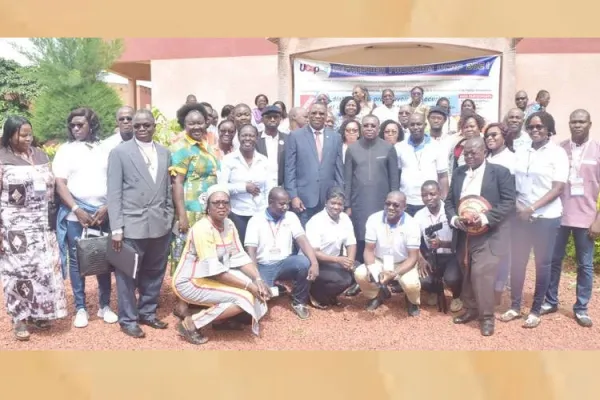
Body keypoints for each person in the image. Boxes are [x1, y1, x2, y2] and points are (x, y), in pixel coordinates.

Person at [172, 185, 271, 345]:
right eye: (216, 203)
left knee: (252, 289)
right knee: (244, 296)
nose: (221, 206)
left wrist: (258, 279)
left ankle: (220, 320)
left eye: (225, 202)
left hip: (209, 277)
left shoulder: (229, 224)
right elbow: (214, 272)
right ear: (207, 207)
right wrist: (249, 286)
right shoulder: (203, 228)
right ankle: (191, 324)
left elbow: (239, 256)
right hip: (190, 281)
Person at [107, 109, 175, 338]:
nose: (142, 129)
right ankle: (128, 319)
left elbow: (168, 189)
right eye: (137, 126)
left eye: (147, 125)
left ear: (154, 126)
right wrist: (116, 228)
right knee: (127, 274)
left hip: (159, 224)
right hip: (132, 224)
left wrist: (169, 216)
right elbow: (114, 193)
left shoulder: (165, 153)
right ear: (131, 128)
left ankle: (147, 312)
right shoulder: (119, 153)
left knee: (155, 271)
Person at [0, 116, 68, 341]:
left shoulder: (40, 155)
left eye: (30, 134)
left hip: (42, 225)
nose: (28, 138)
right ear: (10, 135)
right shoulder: (2, 158)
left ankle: (38, 313)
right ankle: (19, 318)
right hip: (14, 229)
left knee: (41, 272)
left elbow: (51, 189)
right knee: (18, 272)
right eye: (22, 135)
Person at [500, 111, 568, 329]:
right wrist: (521, 208)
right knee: (518, 262)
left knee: (542, 263)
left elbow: (558, 188)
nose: (535, 130)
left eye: (540, 127)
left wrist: (531, 208)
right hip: (521, 216)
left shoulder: (558, 154)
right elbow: (511, 181)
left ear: (549, 129)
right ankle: (515, 306)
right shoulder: (521, 151)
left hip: (546, 217)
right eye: (531, 127)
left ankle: (536, 309)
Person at [54, 107, 118, 328]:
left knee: (103, 257)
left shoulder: (105, 148)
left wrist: (107, 207)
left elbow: (115, 179)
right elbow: (60, 183)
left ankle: (104, 305)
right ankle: (80, 308)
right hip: (76, 214)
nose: (75, 128)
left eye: (80, 124)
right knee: (77, 259)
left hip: (103, 212)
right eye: (72, 125)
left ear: (92, 125)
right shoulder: (65, 150)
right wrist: (75, 209)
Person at [445, 137, 516, 336]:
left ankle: (487, 317)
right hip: (464, 233)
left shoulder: (500, 173)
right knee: (466, 271)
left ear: (484, 151)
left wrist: (485, 218)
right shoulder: (459, 173)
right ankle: (472, 309)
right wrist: (454, 219)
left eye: (474, 152)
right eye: (466, 153)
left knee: (481, 274)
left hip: (489, 233)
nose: (469, 156)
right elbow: (449, 202)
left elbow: (509, 202)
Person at [542, 109, 600, 328]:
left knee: (584, 265)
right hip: (558, 215)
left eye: (581, 122)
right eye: (573, 121)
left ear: (589, 124)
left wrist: (598, 220)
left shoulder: (597, 150)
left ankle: (582, 308)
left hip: (586, 219)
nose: (577, 125)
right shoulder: (560, 149)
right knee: (553, 260)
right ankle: (550, 301)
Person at [245, 187, 319, 320]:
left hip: (285, 263)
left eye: (287, 203)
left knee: (304, 262)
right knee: (262, 297)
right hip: (263, 265)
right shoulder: (255, 220)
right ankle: (277, 289)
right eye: (281, 204)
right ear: (270, 202)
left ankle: (299, 302)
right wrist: (256, 278)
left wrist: (314, 262)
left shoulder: (291, 217)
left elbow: (302, 240)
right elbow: (251, 251)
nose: (285, 207)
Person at [344, 114, 400, 267]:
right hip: (359, 203)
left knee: (382, 236)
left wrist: (394, 204)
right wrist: (347, 205)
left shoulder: (388, 148)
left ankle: (384, 272)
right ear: (361, 128)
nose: (369, 128)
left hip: (383, 203)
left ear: (378, 128)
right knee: (360, 237)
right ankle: (362, 274)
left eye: (373, 126)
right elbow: (347, 179)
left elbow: (394, 180)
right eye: (366, 125)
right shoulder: (352, 149)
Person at [353, 191, 421, 314]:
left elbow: (412, 258)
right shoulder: (374, 219)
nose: (390, 208)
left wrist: (394, 273)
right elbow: (369, 250)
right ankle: (376, 296)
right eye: (388, 204)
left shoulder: (412, 224)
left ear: (404, 207)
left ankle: (412, 301)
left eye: (396, 205)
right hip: (379, 260)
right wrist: (371, 268)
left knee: (410, 284)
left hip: (404, 262)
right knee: (360, 273)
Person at [285, 102, 344, 227]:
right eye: (314, 113)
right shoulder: (295, 136)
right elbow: (289, 169)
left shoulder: (335, 137)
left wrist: (339, 195)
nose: (317, 116)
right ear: (308, 115)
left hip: (328, 200)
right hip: (303, 201)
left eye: (321, 113)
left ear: (326, 116)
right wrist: (293, 196)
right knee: (305, 240)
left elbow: (339, 170)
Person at [414, 181, 463, 312]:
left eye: (432, 194)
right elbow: (413, 242)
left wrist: (442, 243)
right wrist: (421, 259)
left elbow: (460, 241)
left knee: (451, 279)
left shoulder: (451, 212)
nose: (428, 198)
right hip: (431, 256)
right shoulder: (419, 216)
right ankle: (434, 291)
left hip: (452, 255)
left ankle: (457, 296)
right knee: (423, 280)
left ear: (440, 193)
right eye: (424, 195)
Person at [305, 187, 357, 309]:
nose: (336, 207)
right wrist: (338, 260)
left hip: (332, 261)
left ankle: (329, 294)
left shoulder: (345, 218)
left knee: (359, 270)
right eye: (333, 203)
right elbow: (313, 252)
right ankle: (314, 294)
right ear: (326, 202)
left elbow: (351, 243)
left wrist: (349, 262)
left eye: (340, 204)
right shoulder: (316, 221)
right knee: (343, 280)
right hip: (314, 263)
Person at [218, 124, 271, 243]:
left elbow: (269, 188)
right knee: (240, 247)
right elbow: (221, 187)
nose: (248, 139)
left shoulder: (264, 160)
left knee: (259, 247)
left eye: (251, 136)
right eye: (244, 135)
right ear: (238, 137)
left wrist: (268, 210)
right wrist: (244, 187)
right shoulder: (229, 160)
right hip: (238, 213)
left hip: (260, 212)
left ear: (257, 138)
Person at [484, 123, 516, 303]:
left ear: (504, 136)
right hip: (483, 214)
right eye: (487, 135)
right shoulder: (485, 157)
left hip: (503, 214)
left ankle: (498, 290)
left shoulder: (512, 159)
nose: (490, 138)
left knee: (502, 253)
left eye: (494, 135)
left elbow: (511, 193)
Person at [395, 112, 449, 217]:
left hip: (430, 202)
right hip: (407, 202)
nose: (416, 127)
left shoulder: (437, 146)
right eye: (412, 124)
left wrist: (443, 201)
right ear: (408, 126)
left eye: (419, 124)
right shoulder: (399, 147)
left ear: (425, 125)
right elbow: (397, 175)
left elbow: (443, 176)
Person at [255, 105, 287, 189]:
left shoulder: (288, 139)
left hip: (281, 188)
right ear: (262, 119)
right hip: (261, 188)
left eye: (276, 117)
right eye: (269, 117)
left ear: (280, 119)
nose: (272, 119)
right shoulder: (255, 139)